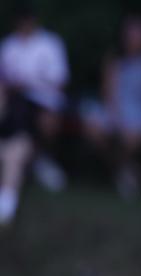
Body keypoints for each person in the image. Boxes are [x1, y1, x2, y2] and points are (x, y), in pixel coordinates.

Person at [81, 15, 141, 199]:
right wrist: (116, 116)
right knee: (93, 129)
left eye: (139, 35)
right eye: (131, 35)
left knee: (132, 137)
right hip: (115, 106)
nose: (135, 39)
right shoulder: (113, 57)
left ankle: (123, 170)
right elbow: (108, 91)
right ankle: (125, 170)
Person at [0, 2, 69, 192]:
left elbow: (59, 80)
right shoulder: (8, 45)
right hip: (13, 101)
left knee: (46, 123)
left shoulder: (50, 44)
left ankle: (39, 161)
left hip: (43, 101)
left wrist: (28, 83)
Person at [0, 84, 34, 226]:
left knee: (17, 150)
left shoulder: (16, 102)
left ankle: (5, 211)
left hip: (9, 144)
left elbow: (20, 134)